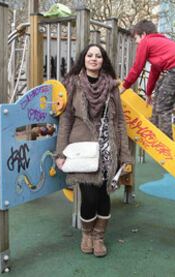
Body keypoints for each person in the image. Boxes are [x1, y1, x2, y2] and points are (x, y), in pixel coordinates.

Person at [55, 44, 132, 257]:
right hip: (81, 147)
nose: (94, 59)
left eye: (98, 56)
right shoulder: (72, 83)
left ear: (103, 60)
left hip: (108, 147)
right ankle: (87, 233)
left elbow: (120, 122)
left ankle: (99, 237)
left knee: (103, 195)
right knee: (89, 197)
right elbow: (66, 119)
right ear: (84, 59)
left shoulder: (111, 86)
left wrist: (125, 155)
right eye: (90, 55)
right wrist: (60, 152)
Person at [120, 19, 175, 139]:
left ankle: (167, 141)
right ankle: (154, 125)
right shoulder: (160, 42)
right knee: (160, 89)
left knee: (163, 106)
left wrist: (124, 86)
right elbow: (154, 72)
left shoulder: (146, 42)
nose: (136, 42)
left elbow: (137, 67)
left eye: (136, 38)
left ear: (143, 34)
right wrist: (149, 93)